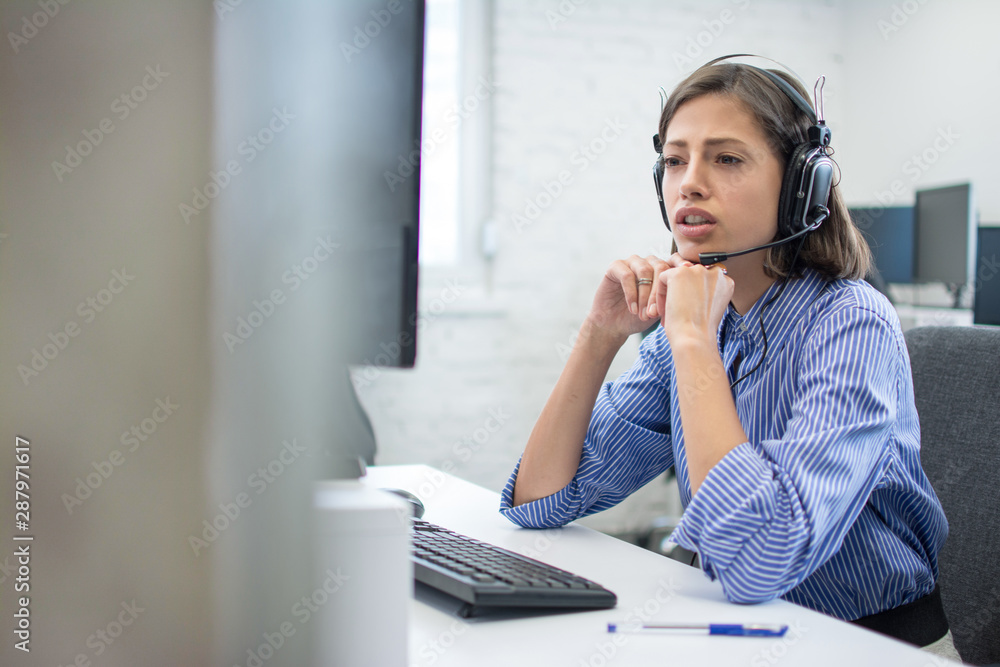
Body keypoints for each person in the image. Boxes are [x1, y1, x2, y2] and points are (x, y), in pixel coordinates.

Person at [500, 57, 957, 658]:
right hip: (749, 634)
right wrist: (599, 335)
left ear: (801, 187)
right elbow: (540, 500)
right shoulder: (689, 326)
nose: (688, 182)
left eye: (727, 158)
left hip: (869, 645)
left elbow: (758, 561)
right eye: (674, 160)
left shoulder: (852, 323)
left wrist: (693, 343)